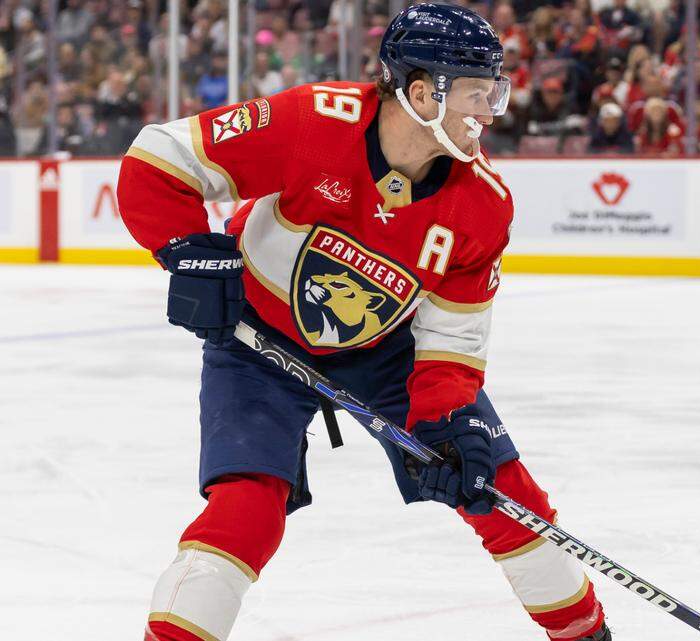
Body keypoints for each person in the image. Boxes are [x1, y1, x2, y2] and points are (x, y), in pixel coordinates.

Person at [118, 5, 611, 641]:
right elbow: (159, 155)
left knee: (502, 490)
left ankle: (585, 633)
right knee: (248, 509)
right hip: (257, 339)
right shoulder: (310, 122)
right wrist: (186, 248)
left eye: (494, 92)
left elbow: (452, 339)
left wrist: (450, 419)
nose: (490, 112)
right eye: (476, 93)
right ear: (420, 92)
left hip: (388, 353)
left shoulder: (483, 204)